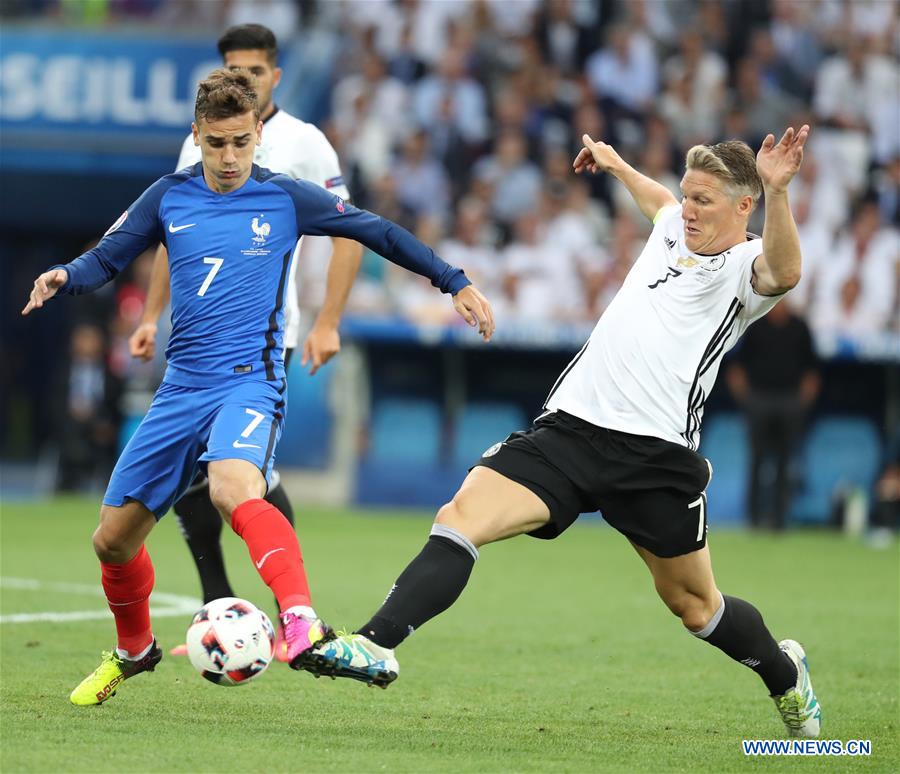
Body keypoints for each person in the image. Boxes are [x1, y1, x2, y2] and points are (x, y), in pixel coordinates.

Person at [302, 126, 823, 739]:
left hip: (653, 459)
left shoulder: (745, 269)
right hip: (570, 431)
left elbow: (785, 272)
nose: (688, 209)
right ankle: (375, 643)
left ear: (744, 207)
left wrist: (780, 192)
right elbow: (656, 200)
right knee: (461, 514)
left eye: (704, 200)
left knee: (696, 608)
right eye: (688, 194)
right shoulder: (669, 226)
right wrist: (617, 164)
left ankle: (785, 675)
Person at [22, 68, 494, 707]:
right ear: (199, 136)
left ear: (256, 140)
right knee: (112, 538)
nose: (228, 157)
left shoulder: (285, 197)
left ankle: (301, 622)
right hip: (180, 389)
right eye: (216, 144)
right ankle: (135, 651)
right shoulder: (168, 196)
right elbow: (108, 256)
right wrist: (62, 275)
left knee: (231, 487)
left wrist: (453, 280)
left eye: (240, 143)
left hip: (250, 381)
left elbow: (374, 230)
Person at [128, 23, 364, 660]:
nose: (246, 81)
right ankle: (228, 613)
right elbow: (172, 233)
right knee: (200, 483)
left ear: (275, 77)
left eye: (255, 72)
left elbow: (348, 231)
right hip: (195, 340)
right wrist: (152, 316)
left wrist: (328, 319)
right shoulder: (200, 141)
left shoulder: (306, 144)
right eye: (235, 70)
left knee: (232, 481)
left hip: (266, 334)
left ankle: (292, 612)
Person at [726, 301, 820, 530]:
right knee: (756, 460)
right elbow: (736, 366)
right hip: (760, 400)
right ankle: (754, 518)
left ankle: (779, 520)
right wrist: (748, 400)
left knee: (785, 461)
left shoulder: (800, 326)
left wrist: (800, 403)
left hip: (789, 401)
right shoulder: (756, 325)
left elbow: (812, 369)